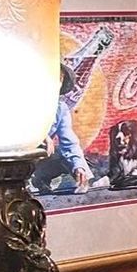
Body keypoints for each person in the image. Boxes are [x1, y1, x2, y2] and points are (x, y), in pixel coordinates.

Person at [29, 63, 92, 196]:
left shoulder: (60, 108)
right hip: (18, 161)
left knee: (65, 155)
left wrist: (78, 167)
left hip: (41, 159)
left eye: (58, 80)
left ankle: (41, 179)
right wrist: (42, 136)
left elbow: (69, 142)